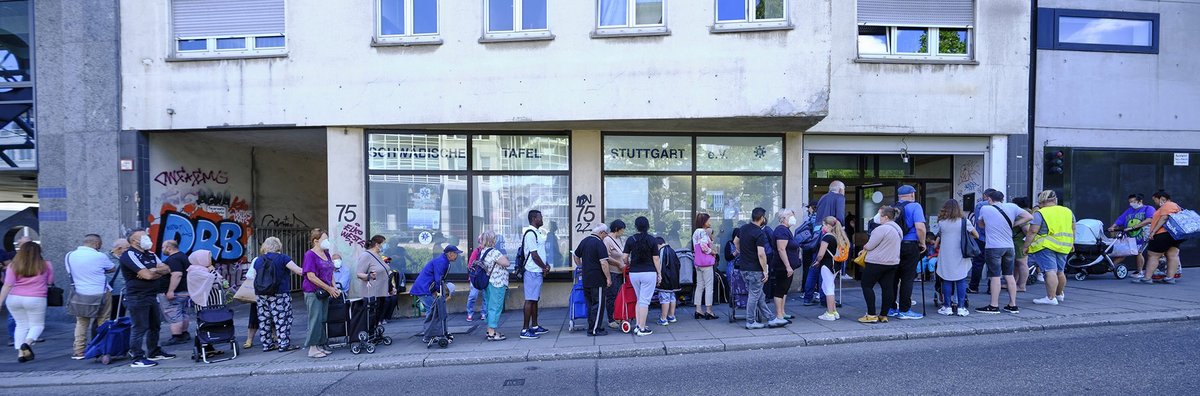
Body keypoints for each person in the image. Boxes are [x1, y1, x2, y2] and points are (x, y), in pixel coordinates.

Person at [118, 230, 175, 367]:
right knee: (140, 327)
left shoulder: (150, 254)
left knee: (155, 325)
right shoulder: (129, 255)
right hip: (137, 296)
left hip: (151, 295)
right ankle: (137, 357)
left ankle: (154, 351)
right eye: (143, 237)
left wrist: (154, 271)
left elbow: (167, 269)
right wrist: (152, 271)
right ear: (133, 241)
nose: (147, 238)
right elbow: (147, 275)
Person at [975, 190, 1033, 314]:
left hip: (993, 247)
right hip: (1009, 246)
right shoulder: (1012, 207)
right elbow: (1029, 216)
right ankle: (1013, 305)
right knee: (1009, 275)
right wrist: (1015, 223)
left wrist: (990, 224)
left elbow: (980, 225)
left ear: (990, 199)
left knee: (995, 276)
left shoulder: (985, 209)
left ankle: (994, 305)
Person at [65, 234, 116, 360]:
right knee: (103, 321)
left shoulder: (69, 255)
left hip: (80, 294)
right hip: (101, 292)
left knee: (81, 323)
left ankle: (79, 351)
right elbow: (112, 268)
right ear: (97, 244)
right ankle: (102, 348)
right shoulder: (99, 256)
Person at [0, 241, 52, 362]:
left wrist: (0, 302)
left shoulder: (13, 266)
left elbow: (7, 285)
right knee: (37, 325)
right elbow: (50, 281)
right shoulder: (46, 264)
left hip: (14, 299)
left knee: (21, 325)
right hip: (36, 298)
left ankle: (20, 354)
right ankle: (27, 344)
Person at [1025, 190, 1076, 304]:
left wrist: (1026, 246)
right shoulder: (1067, 211)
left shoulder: (1040, 213)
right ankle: (1059, 294)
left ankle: (1050, 298)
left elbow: (1033, 231)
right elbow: (1073, 228)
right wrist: (1072, 242)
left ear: (1041, 201)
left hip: (1046, 245)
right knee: (1060, 271)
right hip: (1064, 245)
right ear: (1055, 200)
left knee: (1049, 271)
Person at [254, 237, 303, 353]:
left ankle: (267, 344)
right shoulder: (282, 258)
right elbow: (298, 271)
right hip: (279, 293)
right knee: (282, 318)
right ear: (278, 246)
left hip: (261, 294)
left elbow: (255, 276)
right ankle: (283, 344)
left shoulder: (258, 260)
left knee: (264, 319)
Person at [736, 208, 779, 329]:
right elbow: (761, 254)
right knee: (754, 296)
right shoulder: (759, 233)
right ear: (762, 218)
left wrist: (742, 252)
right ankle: (750, 321)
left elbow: (736, 241)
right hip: (755, 269)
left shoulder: (743, 228)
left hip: (744, 267)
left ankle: (771, 318)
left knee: (759, 294)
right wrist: (765, 270)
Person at [302, 229, 342, 358]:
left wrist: (334, 287)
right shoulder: (310, 255)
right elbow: (311, 276)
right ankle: (312, 347)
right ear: (316, 241)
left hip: (325, 292)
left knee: (323, 319)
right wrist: (329, 288)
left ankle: (320, 344)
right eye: (325, 239)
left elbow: (330, 273)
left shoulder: (327, 254)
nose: (327, 242)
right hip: (313, 292)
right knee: (315, 319)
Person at [859, 206, 902, 324]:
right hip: (892, 262)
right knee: (887, 288)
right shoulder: (898, 229)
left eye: (880, 215)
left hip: (876, 262)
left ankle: (871, 314)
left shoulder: (881, 229)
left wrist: (864, 248)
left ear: (886, 217)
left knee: (867, 285)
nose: (878, 217)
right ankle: (884, 314)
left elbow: (869, 246)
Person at [935, 200, 978, 316]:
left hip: (946, 254)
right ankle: (961, 307)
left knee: (947, 279)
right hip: (961, 253)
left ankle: (947, 307)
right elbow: (976, 235)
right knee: (961, 279)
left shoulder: (942, 222)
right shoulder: (965, 221)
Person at [890, 185, 927, 320]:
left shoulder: (892, 208)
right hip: (910, 245)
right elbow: (920, 228)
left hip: (893, 245)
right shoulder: (915, 206)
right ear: (912, 194)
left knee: (893, 278)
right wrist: (922, 243)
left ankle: (891, 307)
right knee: (907, 278)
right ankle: (905, 310)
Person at [411, 245, 461, 342]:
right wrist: (438, 292)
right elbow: (439, 279)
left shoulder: (443, 261)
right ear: (450, 254)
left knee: (433, 311)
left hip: (424, 288)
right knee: (433, 312)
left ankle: (435, 333)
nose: (457, 256)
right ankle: (429, 336)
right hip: (424, 289)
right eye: (456, 254)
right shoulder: (442, 262)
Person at [622, 217, 660, 336]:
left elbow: (624, 257)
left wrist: (628, 264)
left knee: (639, 299)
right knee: (645, 301)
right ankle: (642, 329)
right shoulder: (652, 240)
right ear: (648, 226)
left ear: (636, 226)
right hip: (649, 273)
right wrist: (660, 273)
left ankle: (638, 325)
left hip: (634, 273)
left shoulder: (631, 239)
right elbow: (656, 259)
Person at [185, 250, 225, 358]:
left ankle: (209, 348)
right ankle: (200, 349)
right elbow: (213, 279)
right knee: (203, 324)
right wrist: (212, 271)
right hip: (203, 303)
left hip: (213, 301)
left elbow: (219, 280)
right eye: (208, 258)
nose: (210, 260)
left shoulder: (205, 269)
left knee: (212, 323)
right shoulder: (194, 271)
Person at [1139, 190, 1183, 285]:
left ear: (1162, 198)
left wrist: (1153, 231)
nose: (1155, 202)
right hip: (1174, 235)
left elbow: (1164, 218)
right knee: (1172, 255)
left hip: (1163, 234)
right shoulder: (1177, 206)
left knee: (1153, 255)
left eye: (1155, 200)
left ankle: (1147, 278)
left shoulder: (1167, 205)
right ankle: (1170, 278)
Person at [574, 225, 611, 336]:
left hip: (586, 278)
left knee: (590, 304)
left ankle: (592, 326)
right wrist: (608, 278)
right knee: (598, 304)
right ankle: (595, 329)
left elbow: (575, 256)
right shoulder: (599, 243)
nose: (606, 236)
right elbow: (604, 263)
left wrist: (581, 267)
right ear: (602, 232)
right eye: (606, 234)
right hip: (598, 279)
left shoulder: (584, 241)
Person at [520, 210, 551, 340]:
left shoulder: (537, 232)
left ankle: (535, 326)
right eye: (540, 217)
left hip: (537, 270)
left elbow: (540, 252)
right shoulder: (530, 234)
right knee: (530, 300)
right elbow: (534, 255)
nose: (542, 219)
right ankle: (525, 329)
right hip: (532, 270)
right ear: (534, 218)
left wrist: (546, 264)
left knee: (534, 300)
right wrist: (544, 267)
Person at [1109, 193, 1156, 279]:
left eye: (1133, 201)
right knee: (1124, 252)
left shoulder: (1148, 209)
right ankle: (1110, 267)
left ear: (1140, 201)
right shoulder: (1129, 210)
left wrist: (1133, 227)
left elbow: (1149, 219)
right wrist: (1113, 226)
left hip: (1143, 236)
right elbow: (1121, 219)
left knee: (1138, 252)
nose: (1131, 203)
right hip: (1130, 237)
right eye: (1130, 202)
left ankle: (1140, 271)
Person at [813, 217, 849, 321]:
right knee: (828, 286)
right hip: (836, 265)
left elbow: (821, 254)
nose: (822, 227)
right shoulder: (839, 236)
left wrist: (817, 261)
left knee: (828, 288)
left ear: (828, 226)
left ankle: (829, 313)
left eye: (824, 225)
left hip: (827, 264)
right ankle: (833, 311)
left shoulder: (827, 237)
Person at [478, 231, 511, 340]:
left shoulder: (483, 251)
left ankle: (489, 330)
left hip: (489, 282)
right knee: (495, 307)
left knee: (489, 306)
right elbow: (506, 263)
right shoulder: (494, 252)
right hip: (497, 283)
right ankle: (492, 333)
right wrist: (505, 257)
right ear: (493, 240)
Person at [160, 240, 192, 346]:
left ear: (169, 248)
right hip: (184, 290)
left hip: (176, 292)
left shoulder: (173, 259)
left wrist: (170, 291)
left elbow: (177, 274)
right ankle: (184, 333)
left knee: (173, 313)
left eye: (163, 247)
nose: (162, 249)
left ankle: (177, 336)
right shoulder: (183, 256)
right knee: (182, 312)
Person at [770, 209, 799, 324]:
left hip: (788, 266)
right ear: (783, 218)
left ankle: (782, 312)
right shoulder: (781, 231)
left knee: (784, 289)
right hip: (782, 266)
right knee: (780, 289)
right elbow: (781, 249)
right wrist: (788, 266)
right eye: (791, 215)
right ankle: (779, 315)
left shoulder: (786, 230)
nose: (793, 218)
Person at [968, 188, 999, 294]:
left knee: (978, 263)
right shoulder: (1002, 205)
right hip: (995, 239)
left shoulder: (980, 205)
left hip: (981, 238)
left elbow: (978, 222)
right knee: (993, 264)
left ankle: (973, 287)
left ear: (986, 195)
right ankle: (992, 288)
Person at [691, 213, 718, 320]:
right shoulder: (703, 232)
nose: (710, 222)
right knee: (709, 287)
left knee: (699, 286)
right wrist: (712, 252)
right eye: (708, 220)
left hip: (698, 262)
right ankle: (709, 310)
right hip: (706, 264)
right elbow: (703, 247)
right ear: (704, 221)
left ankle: (698, 309)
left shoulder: (696, 232)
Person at [603, 219, 628, 329]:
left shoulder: (620, 239)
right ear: (617, 229)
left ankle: (619, 315)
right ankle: (611, 319)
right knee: (611, 296)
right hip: (613, 271)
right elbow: (605, 257)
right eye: (622, 230)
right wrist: (618, 263)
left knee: (620, 295)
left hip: (621, 272)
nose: (623, 232)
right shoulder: (607, 240)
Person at [354, 235, 391, 300]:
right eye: (384, 244)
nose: (385, 246)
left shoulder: (379, 256)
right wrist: (369, 276)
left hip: (383, 293)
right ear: (377, 244)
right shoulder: (366, 255)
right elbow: (359, 274)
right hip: (372, 295)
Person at [655, 236, 681, 326]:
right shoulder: (671, 250)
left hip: (666, 279)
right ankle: (671, 316)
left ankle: (663, 318)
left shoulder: (662, 251)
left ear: (658, 244)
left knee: (664, 298)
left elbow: (660, 266)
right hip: (674, 279)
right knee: (672, 297)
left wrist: (659, 277)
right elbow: (678, 264)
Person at [1011, 197, 1034, 290]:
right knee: (1017, 263)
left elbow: (1026, 230)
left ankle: (1021, 285)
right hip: (1020, 241)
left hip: (1020, 242)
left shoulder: (1021, 214)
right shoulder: (1028, 212)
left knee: (1022, 262)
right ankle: (1015, 283)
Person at [465, 233, 488, 322]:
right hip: (475, 277)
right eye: (479, 242)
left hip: (485, 277)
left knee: (485, 296)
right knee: (473, 295)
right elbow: (470, 264)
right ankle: (469, 312)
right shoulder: (476, 251)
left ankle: (484, 313)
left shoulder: (489, 252)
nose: (480, 245)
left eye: (481, 242)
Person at [108, 240, 130, 320]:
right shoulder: (105, 257)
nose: (129, 249)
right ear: (119, 248)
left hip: (123, 292)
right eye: (127, 248)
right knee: (107, 316)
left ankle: (117, 332)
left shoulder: (128, 257)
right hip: (109, 293)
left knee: (120, 316)